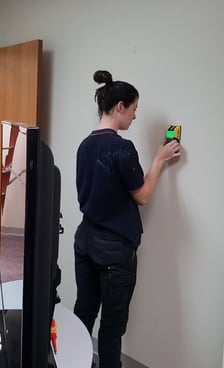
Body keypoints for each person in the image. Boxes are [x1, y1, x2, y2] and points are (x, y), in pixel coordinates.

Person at [73, 70, 181, 368]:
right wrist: (159, 159)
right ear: (120, 106)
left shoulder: (85, 145)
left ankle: (74, 361)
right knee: (112, 326)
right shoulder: (121, 147)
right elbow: (142, 195)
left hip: (84, 241)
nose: (134, 117)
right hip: (115, 252)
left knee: (84, 311)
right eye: (133, 110)